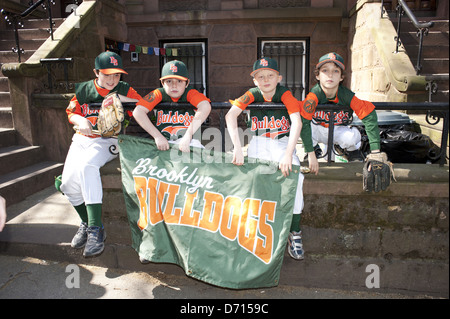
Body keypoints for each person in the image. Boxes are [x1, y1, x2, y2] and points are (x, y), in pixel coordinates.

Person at [226, 57, 317, 261]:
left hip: (283, 144)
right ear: (255, 80)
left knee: (295, 178)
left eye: (270, 75)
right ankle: (254, 230)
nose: (265, 79)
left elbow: (297, 122)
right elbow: (230, 115)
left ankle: (294, 232)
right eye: (260, 76)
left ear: (279, 78)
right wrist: (238, 147)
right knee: (254, 179)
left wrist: (288, 154)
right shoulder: (253, 93)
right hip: (259, 142)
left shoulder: (284, 93)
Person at [60, 51, 142, 257]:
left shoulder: (124, 89)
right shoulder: (85, 89)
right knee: (66, 184)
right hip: (81, 139)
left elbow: (143, 106)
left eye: (116, 74)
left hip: (108, 141)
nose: (113, 79)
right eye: (107, 74)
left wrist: (117, 98)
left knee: (88, 167)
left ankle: (95, 230)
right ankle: (88, 223)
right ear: (96, 72)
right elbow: (71, 112)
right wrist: (81, 121)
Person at [301, 52, 381, 161]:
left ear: (341, 77)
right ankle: (315, 149)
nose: (330, 75)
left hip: (337, 130)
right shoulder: (314, 95)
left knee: (352, 137)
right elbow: (303, 118)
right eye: (325, 70)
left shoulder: (346, 95)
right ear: (317, 75)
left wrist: (375, 151)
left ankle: (349, 150)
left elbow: (369, 114)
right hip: (318, 130)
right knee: (299, 122)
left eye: (335, 71)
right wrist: (309, 150)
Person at [133, 60, 211, 153]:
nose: (174, 86)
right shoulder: (158, 93)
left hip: (186, 142)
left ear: (187, 83)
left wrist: (188, 135)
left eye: (179, 81)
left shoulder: (190, 93)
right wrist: (157, 136)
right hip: (164, 143)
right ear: (162, 83)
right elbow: (138, 112)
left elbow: (205, 106)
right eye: (169, 81)